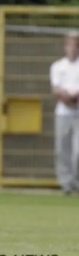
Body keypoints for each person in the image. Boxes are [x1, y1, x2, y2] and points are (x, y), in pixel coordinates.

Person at [50, 30, 79, 195]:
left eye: (76, 46)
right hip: (63, 113)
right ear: (65, 47)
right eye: (70, 45)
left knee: (77, 151)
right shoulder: (58, 66)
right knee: (62, 150)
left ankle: (77, 182)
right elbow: (55, 89)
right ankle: (66, 184)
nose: (73, 49)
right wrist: (66, 97)